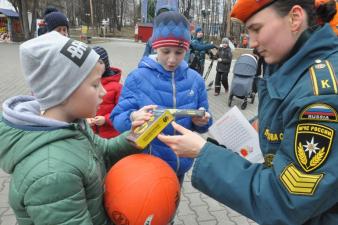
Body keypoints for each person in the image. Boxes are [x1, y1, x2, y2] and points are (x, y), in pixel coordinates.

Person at [158, 0, 338, 224]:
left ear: (295, 18)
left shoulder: (321, 96)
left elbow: (285, 200)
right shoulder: (291, 64)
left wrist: (204, 152)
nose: (251, 42)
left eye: (257, 29)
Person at [0, 31, 147, 224]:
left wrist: (137, 135)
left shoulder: (72, 125)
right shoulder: (53, 174)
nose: (103, 92)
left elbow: (104, 151)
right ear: (63, 92)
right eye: (95, 85)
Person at [111, 11, 212, 185]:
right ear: (155, 46)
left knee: (171, 207)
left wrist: (203, 122)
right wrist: (132, 117)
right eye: (166, 51)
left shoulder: (195, 80)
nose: (172, 60)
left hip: (181, 165)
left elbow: (205, 120)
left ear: (187, 50)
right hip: (147, 165)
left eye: (179, 52)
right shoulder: (137, 78)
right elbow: (117, 119)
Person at [87, 46, 122, 139]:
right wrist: (86, 119)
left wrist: (105, 119)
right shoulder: (86, 84)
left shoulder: (117, 87)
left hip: (111, 135)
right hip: (91, 134)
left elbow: (122, 112)